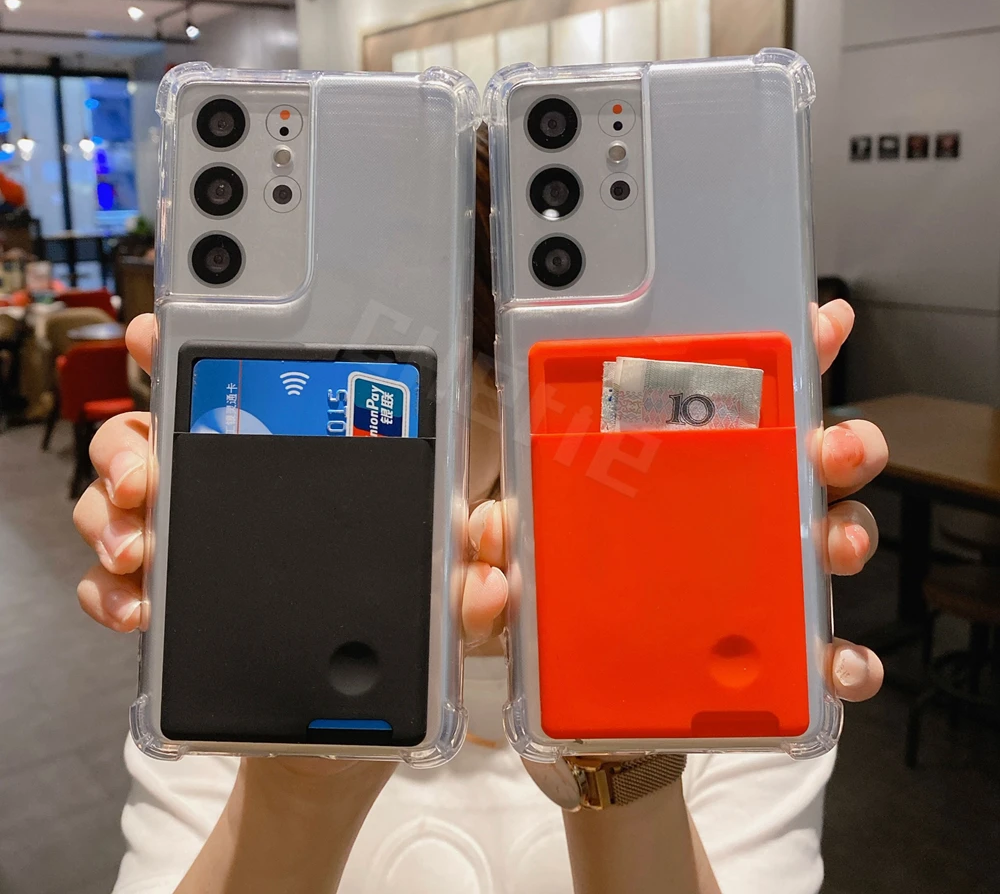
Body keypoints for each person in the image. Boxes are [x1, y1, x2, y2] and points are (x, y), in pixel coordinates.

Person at [73, 134, 887, 894]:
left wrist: (622, 760)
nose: (338, 427)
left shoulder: (720, 635)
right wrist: (305, 775)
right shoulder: (233, 640)